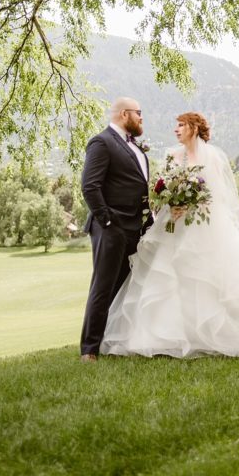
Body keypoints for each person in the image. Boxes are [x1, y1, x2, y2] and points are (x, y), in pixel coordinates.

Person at [100, 111, 239, 358]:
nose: (176, 129)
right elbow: (162, 189)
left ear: (194, 128)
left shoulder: (213, 157)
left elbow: (217, 196)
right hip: (173, 225)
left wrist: (191, 205)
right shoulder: (172, 155)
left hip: (203, 227)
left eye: (181, 125)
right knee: (166, 274)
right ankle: (162, 336)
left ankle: (215, 334)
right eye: (176, 125)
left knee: (205, 277)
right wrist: (171, 204)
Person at [79, 96, 152, 362]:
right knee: (103, 287)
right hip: (110, 228)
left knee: (123, 288)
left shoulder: (134, 146)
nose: (141, 117)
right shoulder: (102, 142)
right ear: (124, 114)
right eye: (138, 112)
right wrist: (107, 221)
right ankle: (89, 349)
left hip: (135, 228)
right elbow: (90, 185)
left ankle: (114, 341)